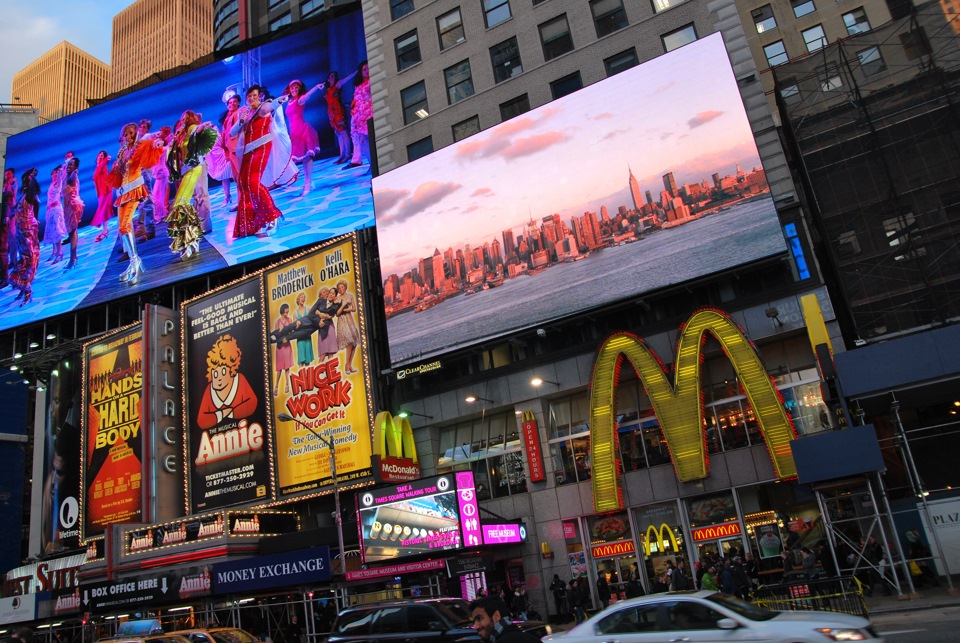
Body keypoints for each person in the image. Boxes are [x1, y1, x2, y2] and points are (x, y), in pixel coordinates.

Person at [108, 122, 166, 285]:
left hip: (134, 189)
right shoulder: (122, 152)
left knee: (125, 223)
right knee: (122, 227)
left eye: (130, 134)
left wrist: (159, 143)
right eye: (125, 134)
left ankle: (135, 261)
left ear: (135, 134)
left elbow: (155, 143)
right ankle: (133, 262)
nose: (127, 137)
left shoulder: (140, 146)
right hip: (123, 192)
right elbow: (118, 173)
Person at [230, 84, 288, 238]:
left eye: (254, 95)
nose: (251, 98)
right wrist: (241, 121)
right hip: (248, 151)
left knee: (253, 182)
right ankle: (249, 224)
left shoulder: (262, 107)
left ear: (259, 96)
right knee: (243, 184)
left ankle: (273, 216)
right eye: (249, 96)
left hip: (261, 146)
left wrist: (279, 101)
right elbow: (232, 132)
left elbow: (271, 106)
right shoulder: (246, 113)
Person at [166, 110, 217, 260]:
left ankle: (196, 234)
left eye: (185, 118)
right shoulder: (180, 135)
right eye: (181, 118)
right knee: (185, 203)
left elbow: (196, 129)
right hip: (186, 171)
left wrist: (202, 127)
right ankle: (193, 239)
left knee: (187, 201)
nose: (182, 120)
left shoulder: (191, 128)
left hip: (195, 167)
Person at [197, 334, 258, 430]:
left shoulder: (240, 380)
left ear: (231, 371)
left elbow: (252, 403)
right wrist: (223, 413)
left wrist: (229, 413)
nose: (219, 378)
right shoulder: (209, 390)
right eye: (215, 374)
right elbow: (201, 421)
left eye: (223, 372)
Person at [282, 79, 324, 196]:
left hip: (303, 131)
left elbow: (307, 95)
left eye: (296, 87)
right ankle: (307, 182)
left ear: (299, 89)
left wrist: (316, 86)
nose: (294, 89)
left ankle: (307, 183)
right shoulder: (289, 101)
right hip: (295, 133)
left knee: (307, 158)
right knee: (303, 159)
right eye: (292, 87)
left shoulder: (299, 100)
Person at [9, 169, 41, 305]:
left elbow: (36, 205)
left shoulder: (29, 195)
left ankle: (27, 290)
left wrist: (32, 176)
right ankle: (24, 288)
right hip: (21, 232)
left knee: (29, 261)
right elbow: (16, 210)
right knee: (23, 260)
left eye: (27, 180)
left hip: (28, 232)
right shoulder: (24, 194)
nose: (25, 181)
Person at [319, 70, 358, 163]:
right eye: (331, 76)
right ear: (328, 79)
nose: (333, 78)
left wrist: (356, 71)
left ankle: (347, 154)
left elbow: (347, 79)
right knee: (339, 134)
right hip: (331, 113)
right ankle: (342, 154)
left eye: (334, 76)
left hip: (338, 111)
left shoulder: (338, 85)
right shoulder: (327, 89)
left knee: (344, 132)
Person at [469, 597, 540, 643]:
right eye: (474, 622)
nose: (476, 626)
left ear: (496, 616)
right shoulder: (531, 638)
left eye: (479, 618)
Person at [344, 61, 371, 169]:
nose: (366, 71)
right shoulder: (358, 85)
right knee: (362, 141)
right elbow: (355, 98)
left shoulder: (371, 82)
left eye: (368, 68)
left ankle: (376, 164)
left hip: (369, 113)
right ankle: (371, 164)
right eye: (364, 69)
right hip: (358, 116)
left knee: (371, 138)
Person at [333, 278, 361, 374]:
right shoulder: (337, 299)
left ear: (345, 287)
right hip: (342, 321)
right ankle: (346, 365)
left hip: (350, 320)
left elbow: (354, 309)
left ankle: (350, 364)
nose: (341, 289)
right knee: (349, 342)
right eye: (339, 288)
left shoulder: (350, 295)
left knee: (354, 343)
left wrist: (345, 309)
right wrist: (343, 308)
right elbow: (337, 313)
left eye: (342, 287)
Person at [61, 156, 84, 269]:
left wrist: (74, 171)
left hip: (73, 205)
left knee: (73, 231)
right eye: (68, 164)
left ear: (75, 167)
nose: (69, 166)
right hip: (67, 206)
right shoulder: (67, 176)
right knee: (71, 233)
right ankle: (73, 257)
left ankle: (73, 258)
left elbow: (71, 179)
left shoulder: (72, 176)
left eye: (71, 164)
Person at [44, 165, 66, 264]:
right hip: (50, 210)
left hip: (55, 209)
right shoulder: (52, 184)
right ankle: (55, 251)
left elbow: (59, 177)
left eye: (55, 173)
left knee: (57, 231)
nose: (54, 174)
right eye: (52, 173)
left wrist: (60, 171)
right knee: (53, 231)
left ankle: (60, 252)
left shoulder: (58, 182)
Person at [91, 151, 114, 243]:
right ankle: (104, 230)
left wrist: (106, 160)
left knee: (104, 210)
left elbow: (101, 167)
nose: (100, 157)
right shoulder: (97, 167)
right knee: (102, 210)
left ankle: (105, 230)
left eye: (102, 156)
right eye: (99, 155)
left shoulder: (102, 166)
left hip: (106, 191)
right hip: (101, 192)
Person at [273, 303, 295, 396]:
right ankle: (276, 387)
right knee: (279, 369)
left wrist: (288, 337)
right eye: (286, 309)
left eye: (288, 309)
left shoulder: (290, 320)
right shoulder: (277, 322)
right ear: (282, 310)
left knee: (287, 367)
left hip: (287, 345)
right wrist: (280, 330)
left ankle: (287, 384)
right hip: (280, 347)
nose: (287, 311)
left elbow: (292, 332)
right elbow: (275, 336)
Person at [293, 291, 316, 366]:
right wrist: (297, 324)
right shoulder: (295, 313)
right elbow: (294, 328)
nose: (303, 299)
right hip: (300, 338)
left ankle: (308, 377)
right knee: (302, 360)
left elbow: (312, 321)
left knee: (307, 361)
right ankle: (301, 376)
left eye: (304, 297)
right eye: (302, 297)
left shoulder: (308, 309)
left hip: (307, 336)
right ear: (298, 299)